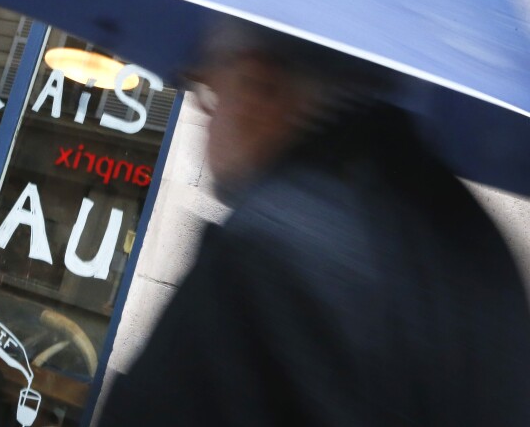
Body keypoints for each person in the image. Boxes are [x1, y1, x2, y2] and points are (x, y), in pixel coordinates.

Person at [96, 21, 530, 425]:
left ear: (257, 84)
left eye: (209, 90)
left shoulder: (264, 256)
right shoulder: (469, 240)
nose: (207, 116)